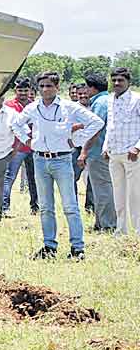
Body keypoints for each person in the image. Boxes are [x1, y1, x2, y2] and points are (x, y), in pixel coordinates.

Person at [9, 71, 104, 260]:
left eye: (49, 86)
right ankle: (49, 246)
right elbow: (16, 125)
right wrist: (27, 141)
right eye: (42, 86)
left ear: (57, 87)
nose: (45, 89)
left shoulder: (68, 107)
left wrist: (76, 141)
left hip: (62, 160)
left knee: (70, 206)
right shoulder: (33, 108)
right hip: (40, 159)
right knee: (45, 206)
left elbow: (96, 122)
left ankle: (77, 248)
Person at [104, 67, 140, 235]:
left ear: (128, 82)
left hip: (132, 154)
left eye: (121, 80)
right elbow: (110, 126)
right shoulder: (110, 100)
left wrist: (137, 147)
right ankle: (121, 230)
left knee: (135, 194)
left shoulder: (136, 99)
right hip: (114, 153)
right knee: (118, 194)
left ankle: (138, 231)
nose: (117, 83)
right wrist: (105, 147)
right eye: (114, 80)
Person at [78, 73, 116, 231]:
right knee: (104, 188)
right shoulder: (108, 100)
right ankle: (102, 222)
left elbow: (95, 130)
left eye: (87, 87)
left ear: (93, 88)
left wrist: (84, 152)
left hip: (98, 152)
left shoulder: (99, 103)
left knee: (102, 189)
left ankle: (106, 225)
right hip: (108, 151)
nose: (85, 91)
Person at [3, 79, 39, 214]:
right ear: (15, 91)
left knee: (35, 178)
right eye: (20, 90)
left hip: (34, 147)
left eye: (25, 90)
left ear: (30, 91)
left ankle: (36, 207)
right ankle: (4, 207)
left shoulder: (35, 105)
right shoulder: (9, 106)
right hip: (15, 148)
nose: (23, 93)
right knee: (9, 177)